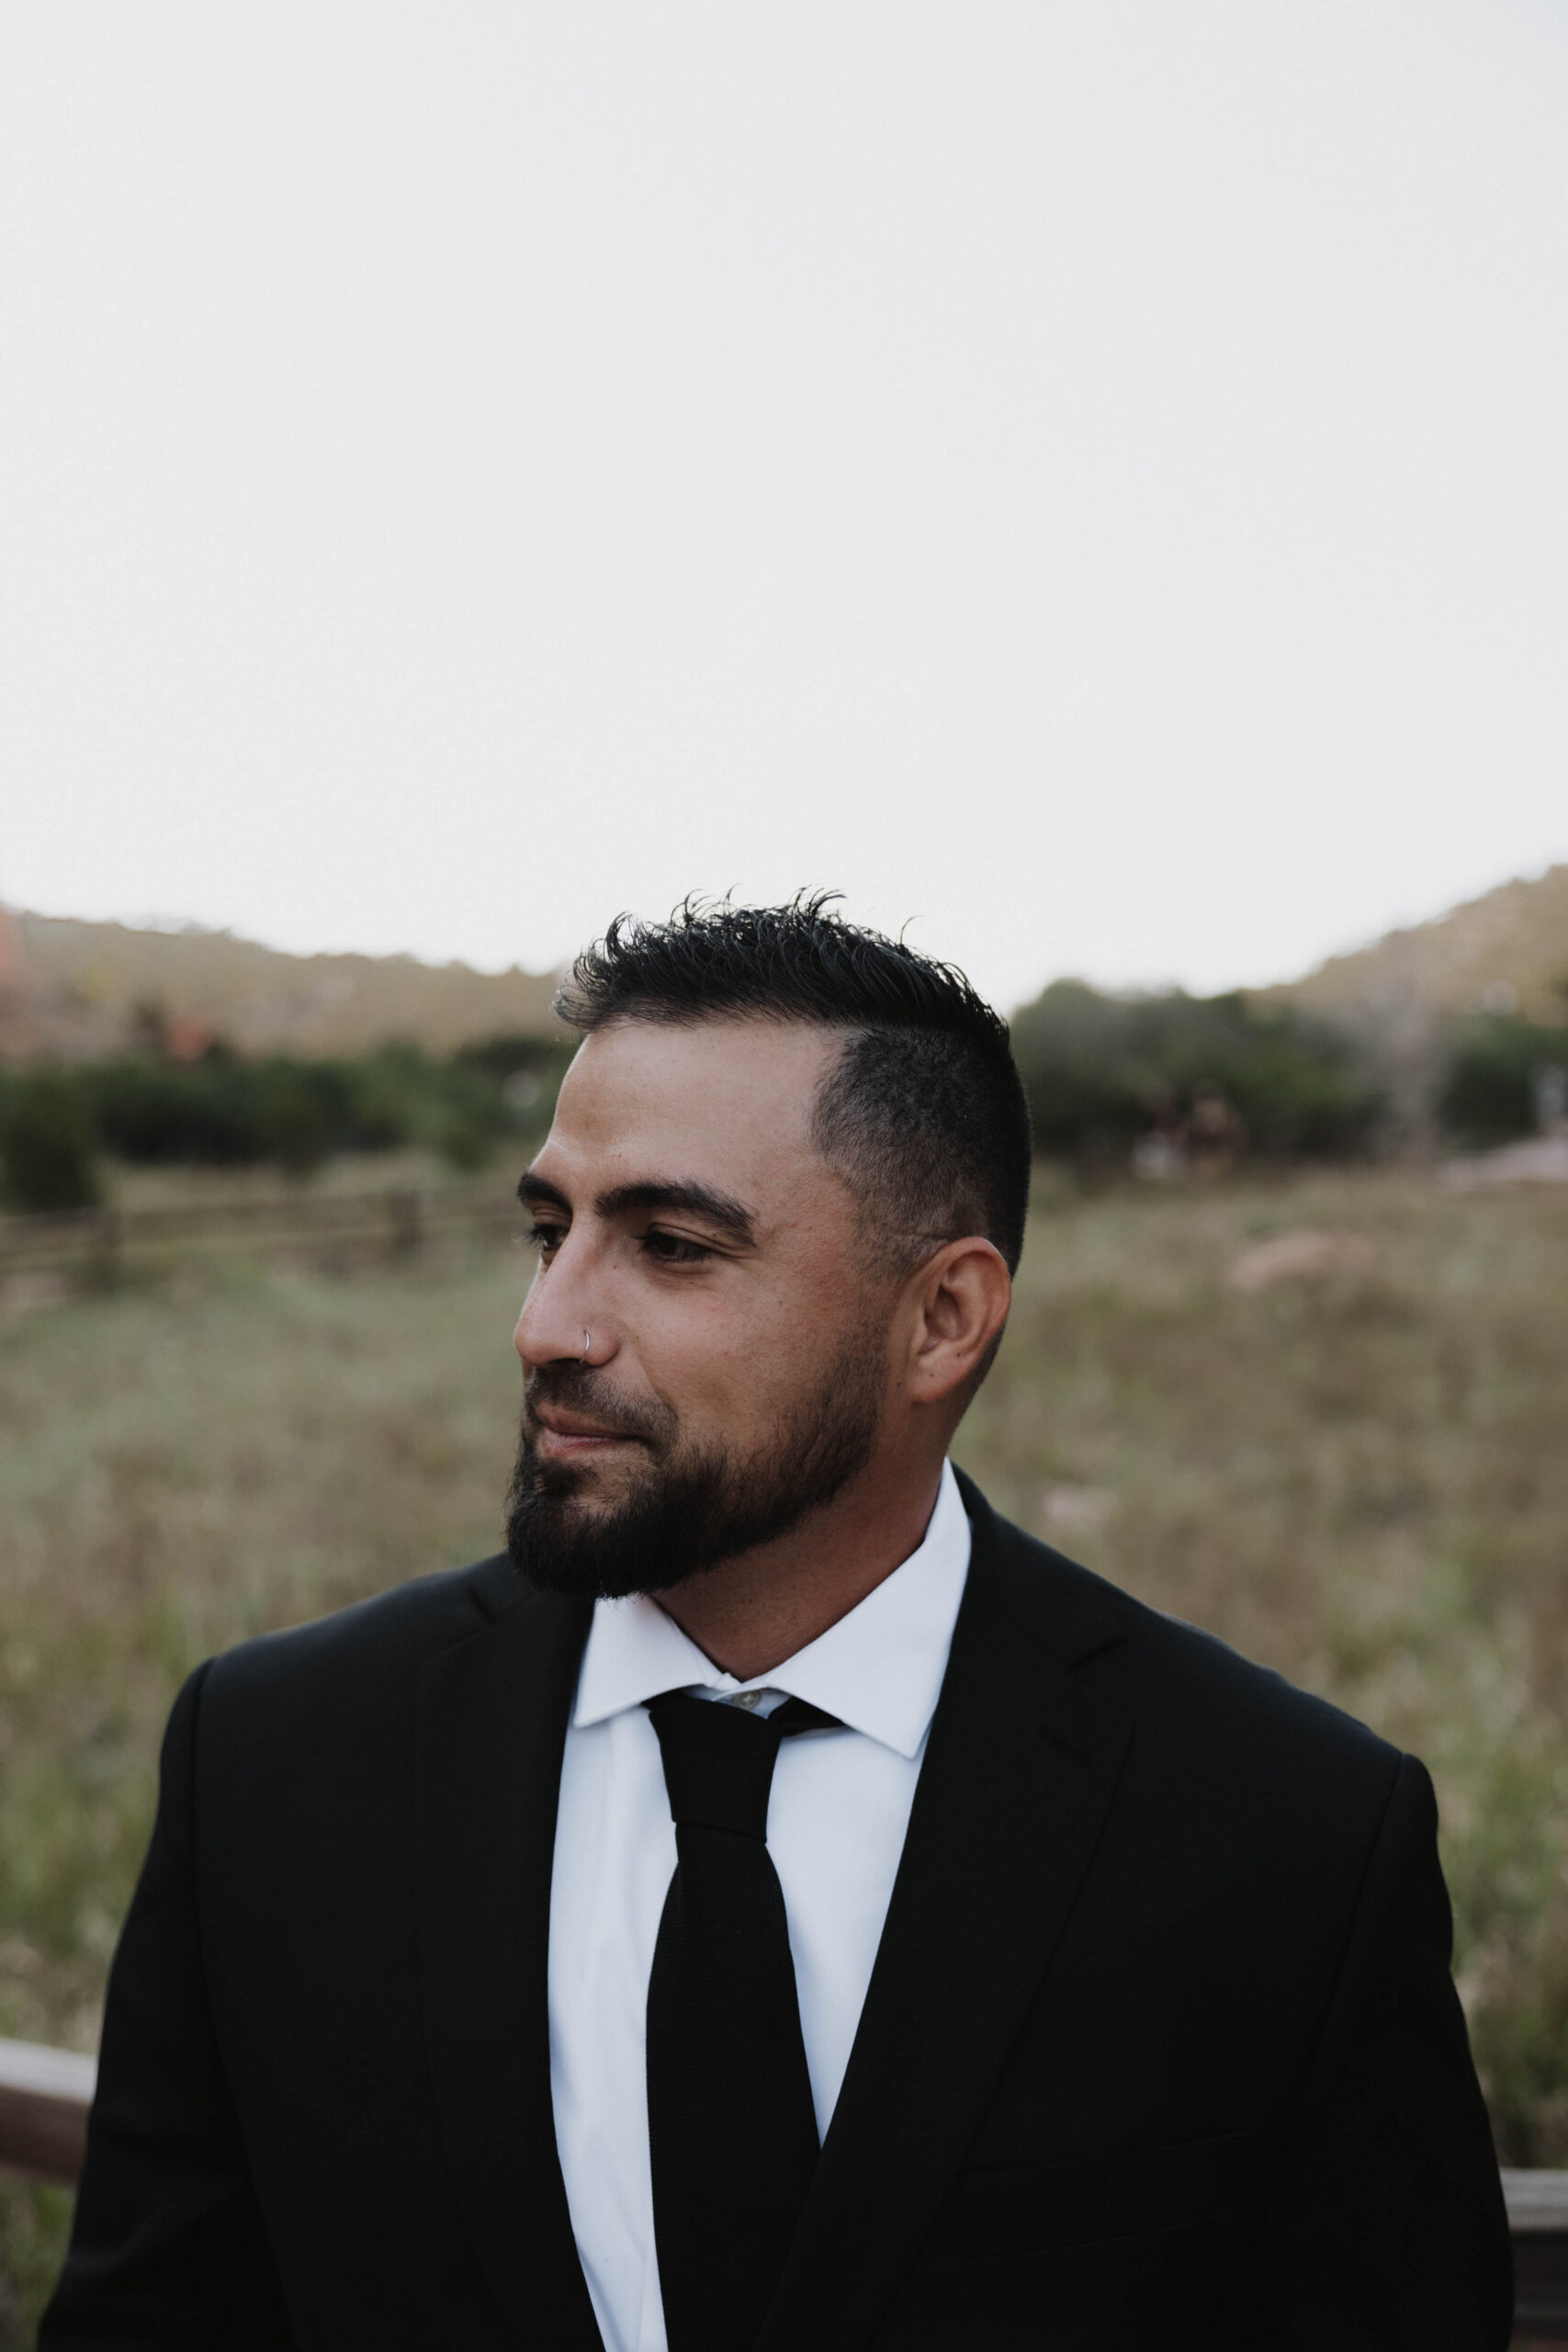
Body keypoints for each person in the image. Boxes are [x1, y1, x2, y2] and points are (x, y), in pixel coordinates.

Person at [43, 898, 1510, 2350]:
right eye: (550, 1230)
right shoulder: (277, 1766)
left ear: (943, 1319)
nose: (548, 1322)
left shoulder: (1288, 1838)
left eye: (671, 1244)